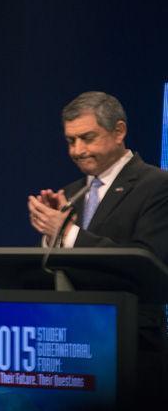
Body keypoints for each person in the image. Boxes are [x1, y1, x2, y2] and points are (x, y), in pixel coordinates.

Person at [27, 91, 168, 404]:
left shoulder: (157, 185)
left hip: (131, 346)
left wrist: (66, 233)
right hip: (74, 346)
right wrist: (50, 236)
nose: (77, 150)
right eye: (70, 141)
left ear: (119, 131)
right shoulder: (72, 192)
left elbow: (147, 263)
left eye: (87, 138)